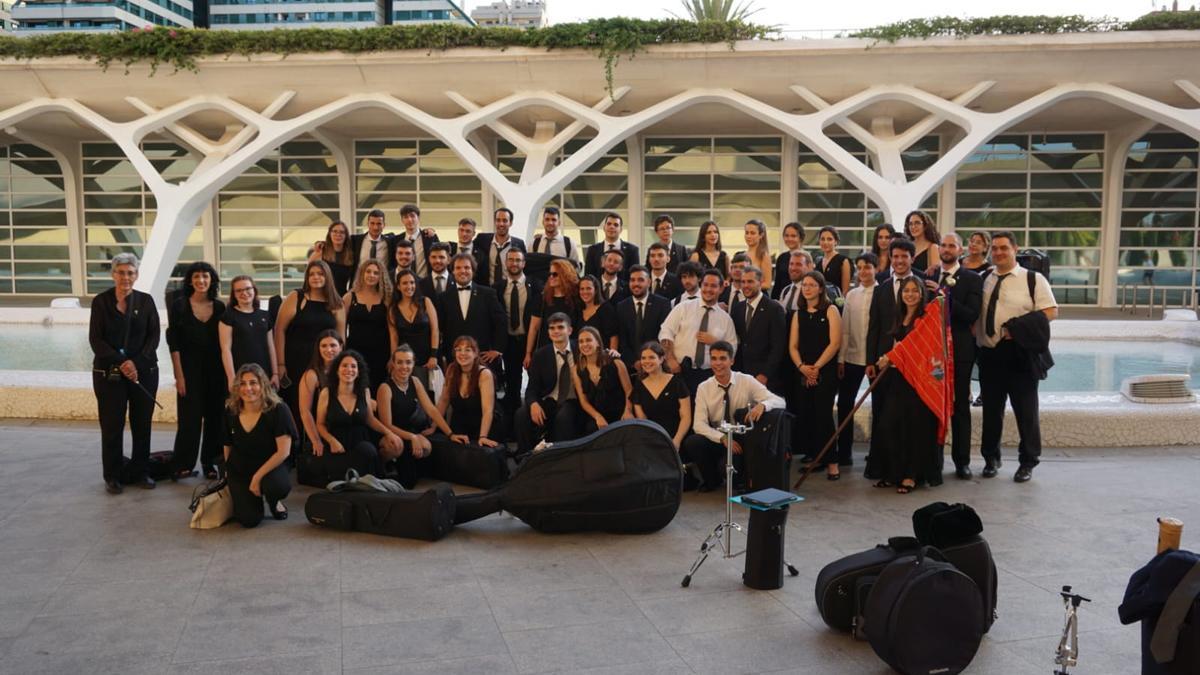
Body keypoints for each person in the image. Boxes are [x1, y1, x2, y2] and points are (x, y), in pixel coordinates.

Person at [976, 231, 1058, 483]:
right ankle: (991, 458)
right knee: (991, 411)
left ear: (1015, 249)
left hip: (1019, 353)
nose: (999, 252)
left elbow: (1051, 311)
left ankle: (1028, 461)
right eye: (995, 248)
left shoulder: (1033, 279)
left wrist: (1017, 329)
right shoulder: (983, 278)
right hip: (989, 354)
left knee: (1026, 411)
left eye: (1004, 248)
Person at [90, 253, 160, 494]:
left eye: (130, 272)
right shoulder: (100, 302)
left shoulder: (146, 302)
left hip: (143, 373)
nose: (126, 277)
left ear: (137, 275)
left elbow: (154, 338)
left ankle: (141, 471)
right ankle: (113, 475)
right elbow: (96, 340)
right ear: (113, 274)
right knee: (111, 425)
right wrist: (123, 362)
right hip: (109, 375)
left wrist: (135, 363)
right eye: (121, 272)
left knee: (142, 424)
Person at [682, 341, 785, 491]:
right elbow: (699, 424)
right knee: (693, 442)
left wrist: (763, 405)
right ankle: (712, 480)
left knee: (728, 469)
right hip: (719, 436)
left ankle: (738, 479)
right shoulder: (704, 387)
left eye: (723, 358)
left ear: (732, 360)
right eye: (714, 358)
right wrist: (722, 438)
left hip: (741, 438)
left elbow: (780, 401)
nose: (718, 363)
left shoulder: (747, 380)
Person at [873, 276, 942, 493]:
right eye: (906, 291)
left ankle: (911, 475)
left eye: (914, 291)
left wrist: (891, 356)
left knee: (915, 429)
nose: (910, 294)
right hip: (897, 378)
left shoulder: (925, 319)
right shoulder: (899, 316)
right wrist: (888, 356)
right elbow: (900, 345)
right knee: (890, 425)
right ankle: (894, 473)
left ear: (922, 293)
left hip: (918, 381)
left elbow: (916, 347)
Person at [864, 238, 922, 478]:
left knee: (908, 419)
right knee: (882, 416)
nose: (899, 261)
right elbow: (874, 327)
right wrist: (870, 360)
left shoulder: (921, 285)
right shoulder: (882, 288)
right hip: (883, 364)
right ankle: (883, 468)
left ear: (912, 259)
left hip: (913, 366)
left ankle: (908, 469)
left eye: (903, 257)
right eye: (895, 256)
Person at [928, 233, 983, 479]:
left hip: (960, 351)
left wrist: (942, 294)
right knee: (932, 405)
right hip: (932, 353)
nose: (947, 249)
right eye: (944, 245)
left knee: (960, 406)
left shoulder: (971, 279)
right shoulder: (927, 275)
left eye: (952, 245)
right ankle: (933, 461)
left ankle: (962, 462)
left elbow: (971, 314)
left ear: (961, 250)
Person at [167, 261, 227, 480]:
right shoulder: (179, 305)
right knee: (189, 419)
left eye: (205, 276)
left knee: (214, 418)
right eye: (196, 277)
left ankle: (210, 462)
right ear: (190, 280)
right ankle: (183, 463)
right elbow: (173, 343)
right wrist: (179, 376)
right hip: (189, 371)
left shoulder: (220, 307)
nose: (201, 281)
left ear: (212, 280)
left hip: (216, 371)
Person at [223, 364, 294, 527]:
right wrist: (228, 471)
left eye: (253, 383)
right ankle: (252, 499)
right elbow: (227, 444)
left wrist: (257, 478)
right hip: (241, 468)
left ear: (263, 385)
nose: (248, 388)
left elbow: (284, 452)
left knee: (277, 486)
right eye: (242, 383)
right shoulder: (231, 410)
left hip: (270, 466)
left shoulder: (278, 410)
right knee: (249, 520)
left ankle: (273, 500)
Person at [789, 271, 843, 479]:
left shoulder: (830, 310)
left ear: (821, 288)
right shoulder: (798, 313)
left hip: (825, 370)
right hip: (803, 370)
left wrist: (816, 367)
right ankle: (816, 456)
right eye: (805, 285)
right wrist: (802, 367)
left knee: (823, 415)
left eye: (812, 285)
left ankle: (832, 461)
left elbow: (835, 343)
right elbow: (792, 345)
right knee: (807, 414)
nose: (807, 288)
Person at [377, 345, 454, 488]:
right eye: (399, 362)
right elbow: (386, 425)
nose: (404, 366)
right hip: (390, 434)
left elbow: (431, 409)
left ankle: (404, 465)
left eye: (408, 362)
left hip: (408, 430)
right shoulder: (385, 388)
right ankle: (380, 465)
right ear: (393, 363)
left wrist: (449, 433)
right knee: (396, 447)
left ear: (413, 364)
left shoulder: (415, 382)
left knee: (427, 447)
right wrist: (413, 437)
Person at [315, 350, 400, 480]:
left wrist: (388, 433)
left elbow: (370, 419)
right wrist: (331, 441)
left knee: (368, 452)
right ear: (337, 370)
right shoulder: (326, 393)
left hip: (360, 441)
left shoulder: (364, 391)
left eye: (353, 366)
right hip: (337, 445)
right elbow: (320, 424)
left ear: (358, 372)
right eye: (344, 366)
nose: (349, 369)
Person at [659, 268, 738, 394]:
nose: (708, 289)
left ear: (721, 289)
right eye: (705, 285)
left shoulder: (726, 319)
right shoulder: (683, 307)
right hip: (680, 370)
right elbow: (666, 332)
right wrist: (669, 358)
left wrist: (716, 342)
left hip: (709, 375)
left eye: (713, 286)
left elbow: (732, 349)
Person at [515, 312, 583, 454]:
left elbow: (598, 352)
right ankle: (525, 457)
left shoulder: (580, 349)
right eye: (552, 328)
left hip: (573, 400)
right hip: (549, 399)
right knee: (521, 414)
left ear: (569, 330)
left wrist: (612, 353)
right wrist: (533, 404)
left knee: (564, 417)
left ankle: (558, 458)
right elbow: (532, 388)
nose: (556, 331)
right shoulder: (540, 354)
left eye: (560, 327)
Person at [836, 252, 878, 468]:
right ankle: (844, 452)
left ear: (876, 269)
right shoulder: (851, 295)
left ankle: (877, 453)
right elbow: (844, 329)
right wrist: (841, 358)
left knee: (879, 406)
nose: (863, 271)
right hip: (852, 357)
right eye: (859, 267)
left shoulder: (883, 292)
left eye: (868, 267)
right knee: (845, 404)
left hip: (876, 359)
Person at [435, 252, 506, 373]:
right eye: (458, 268)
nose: (463, 271)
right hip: (454, 358)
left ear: (473, 270)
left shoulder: (488, 294)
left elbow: (501, 322)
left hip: (482, 357)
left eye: (467, 267)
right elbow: (439, 329)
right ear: (452, 271)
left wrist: (497, 349)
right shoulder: (443, 297)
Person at [496, 248, 541, 419]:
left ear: (524, 263)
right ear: (505, 263)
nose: (514, 263)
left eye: (518, 260)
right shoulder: (497, 288)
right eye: (511, 260)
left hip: (531, 341)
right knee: (512, 385)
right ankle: (513, 425)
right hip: (509, 342)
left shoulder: (535, 285)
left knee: (536, 382)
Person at [731, 265, 787, 394]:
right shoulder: (737, 309)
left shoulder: (774, 309)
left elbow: (778, 346)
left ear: (760, 282)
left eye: (750, 281)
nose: (745, 285)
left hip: (766, 378)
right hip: (742, 375)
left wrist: (765, 374)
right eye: (743, 282)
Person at [437, 336, 501, 448]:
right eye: (458, 350)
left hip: (482, 426)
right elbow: (444, 400)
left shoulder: (484, 374)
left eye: (467, 350)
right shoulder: (451, 369)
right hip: (460, 425)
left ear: (476, 354)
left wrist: (483, 437)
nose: (462, 353)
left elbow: (487, 411)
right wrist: (433, 426)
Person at [631, 341, 692, 450]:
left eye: (651, 357)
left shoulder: (677, 381)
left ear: (661, 359)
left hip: (677, 437)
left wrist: (676, 441)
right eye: (643, 358)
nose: (646, 361)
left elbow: (686, 417)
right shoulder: (639, 384)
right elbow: (643, 420)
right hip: (651, 438)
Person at [220, 275, 278, 389]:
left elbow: (271, 347)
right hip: (240, 374)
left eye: (247, 289)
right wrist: (231, 378)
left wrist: (275, 373)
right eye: (239, 290)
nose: (244, 293)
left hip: (264, 373)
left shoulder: (265, 315)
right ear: (234, 294)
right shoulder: (228, 316)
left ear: (254, 290)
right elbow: (225, 349)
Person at [572, 326, 633, 433]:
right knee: (591, 429)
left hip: (621, 412)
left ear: (598, 343)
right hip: (596, 414)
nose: (585, 344)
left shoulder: (616, 363)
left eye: (589, 340)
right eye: (581, 341)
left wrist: (628, 411)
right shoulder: (576, 369)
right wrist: (598, 416)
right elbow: (583, 401)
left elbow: (629, 391)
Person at [344, 259, 392, 390]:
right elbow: (341, 328)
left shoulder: (386, 298)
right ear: (362, 273)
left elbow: (393, 331)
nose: (371, 275)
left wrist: (393, 356)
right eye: (368, 271)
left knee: (379, 388)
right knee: (357, 389)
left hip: (381, 353)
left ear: (381, 276)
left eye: (376, 273)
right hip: (355, 352)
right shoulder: (349, 297)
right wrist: (343, 353)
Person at [388, 268, 439, 389]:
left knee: (427, 396)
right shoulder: (393, 309)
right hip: (404, 361)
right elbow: (394, 337)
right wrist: (393, 359)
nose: (409, 286)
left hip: (426, 359)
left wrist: (434, 355)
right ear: (398, 287)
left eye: (412, 282)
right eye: (405, 283)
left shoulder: (426, 302)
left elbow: (435, 330)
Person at [297, 330, 343, 460]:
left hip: (343, 425)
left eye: (333, 345)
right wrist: (316, 441)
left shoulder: (347, 369)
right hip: (323, 429)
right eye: (324, 346)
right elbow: (305, 412)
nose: (329, 349)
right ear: (318, 349)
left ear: (341, 347)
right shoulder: (311, 375)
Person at [616, 265, 672, 370]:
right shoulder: (621, 306)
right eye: (632, 280)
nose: (636, 284)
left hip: (656, 364)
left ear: (649, 282)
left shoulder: (663, 304)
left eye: (641, 280)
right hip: (631, 366)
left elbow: (664, 336)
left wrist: (649, 359)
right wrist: (634, 362)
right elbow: (622, 340)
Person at [528, 258, 581, 354]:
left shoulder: (577, 299)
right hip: (546, 350)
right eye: (550, 274)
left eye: (555, 274)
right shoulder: (542, 298)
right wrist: (528, 353)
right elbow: (534, 327)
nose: (551, 277)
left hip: (572, 350)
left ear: (565, 275)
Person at [475, 206, 526, 288]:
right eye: (498, 220)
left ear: (511, 223)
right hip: (486, 290)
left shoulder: (519, 244)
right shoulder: (482, 239)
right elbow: (467, 245)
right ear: (495, 222)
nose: (501, 224)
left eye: (505, 221)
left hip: (509, 291)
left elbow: (524, 267)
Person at [585, 212, 639, 279]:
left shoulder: (632, 250)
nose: (612, 227)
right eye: (609, 224)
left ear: (621, 229)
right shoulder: (592, 250)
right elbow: (588, 276)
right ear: (604, 227)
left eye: (616, 225)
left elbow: (634, 276)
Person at [309, 220, 355, 295]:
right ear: (329, 234)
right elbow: (309, 276)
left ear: (346, 235)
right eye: (335, 231)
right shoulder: (320, 252)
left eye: (342, 232)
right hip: (322, 296)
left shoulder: (350, 255)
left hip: (341, 296)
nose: (338, 234)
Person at [530, 206, 582, 270]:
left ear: (559, 223)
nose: (550, 223)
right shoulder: (534, 243)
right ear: (543, 222)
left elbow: (576, 267)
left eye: (554, 220)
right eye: (547, 219)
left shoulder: (569, 243)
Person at [396, 204, 439, 278]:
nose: (409, 220)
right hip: (404, 283)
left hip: (425, 282)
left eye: (412, 216)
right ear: (402, 220)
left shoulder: (429, 237)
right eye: (406, 217)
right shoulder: (396, 240)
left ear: (418, 218)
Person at [578, 275, 619, 352]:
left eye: (588, 288)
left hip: (603, 356)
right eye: (582, 289)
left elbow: (613, 336)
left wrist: (611, 357)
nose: (585, 292)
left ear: (596, 290)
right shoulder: (578, 310)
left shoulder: (606, 308)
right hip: (584, 356)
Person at [351, 209, 395, 274]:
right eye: (372, 223)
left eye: (379, 224)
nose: (375, 227)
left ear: (384, 225)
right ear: (367, 224)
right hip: (361, 281)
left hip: (382, 281)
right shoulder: (356, 240)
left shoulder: (390, 242)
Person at [816, 226, 852, 297]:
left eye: (829, 239)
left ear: (836, 242)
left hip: (836, 303)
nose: (825, 242)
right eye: (822, 239)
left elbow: (845, 291)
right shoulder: (818, 262)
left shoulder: (844, 261)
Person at [772, 222, 805, 300]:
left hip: (801, 299)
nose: (789, 239)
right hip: (782, 299)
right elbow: (777, 284)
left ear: (800, 238)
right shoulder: (781, 258)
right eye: (786, 236)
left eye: (793, 236)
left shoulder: (806, 257)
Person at [743, 219, 773, 291]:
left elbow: (767, 284)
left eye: (752, 233)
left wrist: (748, 287)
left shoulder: (764, 256)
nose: (748, 236)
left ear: (761, 235)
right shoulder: (743, 255)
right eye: (747, 233)